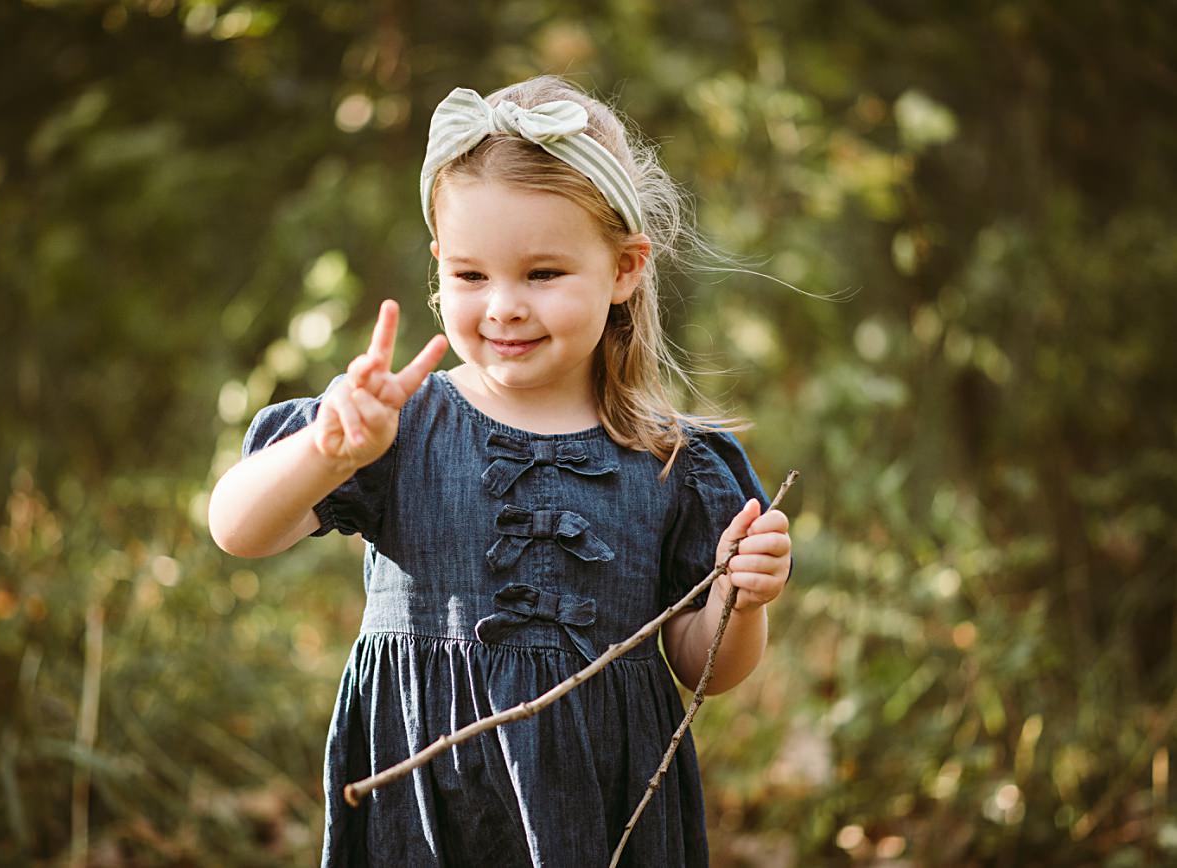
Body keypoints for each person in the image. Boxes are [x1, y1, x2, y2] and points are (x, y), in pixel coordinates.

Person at [208, 76, 793, 867]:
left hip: (601, 813)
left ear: (625, 268)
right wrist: (329, 450)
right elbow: (237, 529)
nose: (504, 306)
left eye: (542, 274)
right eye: (471, 276)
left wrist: (736, 599)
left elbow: (704, 670)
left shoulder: (671, 462)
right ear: (439, 268)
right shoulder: (394, 426)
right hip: (425, 813)